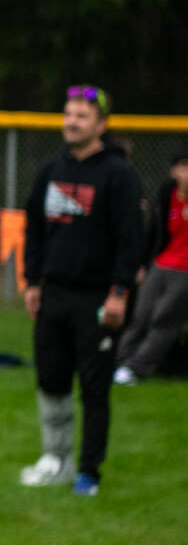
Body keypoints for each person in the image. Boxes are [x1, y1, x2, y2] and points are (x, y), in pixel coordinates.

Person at [18, 84, 143, 496]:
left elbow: (130, 238)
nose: (71, 122)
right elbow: (34, 228)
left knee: (93, 388)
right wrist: (32, 281)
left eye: (81, 116)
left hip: (96, 298)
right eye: (68, 114)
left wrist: (118, 293)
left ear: (101, 125)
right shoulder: (51, 171)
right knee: (51, 380)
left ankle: (88, 471)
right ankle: (55, 458)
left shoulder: (118, 174)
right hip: (53, 294)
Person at [113, 146, 188, 385]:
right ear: (174, 171)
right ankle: (120, 361)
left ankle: (138, 367)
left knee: (163, 318)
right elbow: (154, 232)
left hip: (184, 271)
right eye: (184, 166)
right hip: (161, 263)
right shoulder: (168, 194)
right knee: (141, 315)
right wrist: (143, 264)